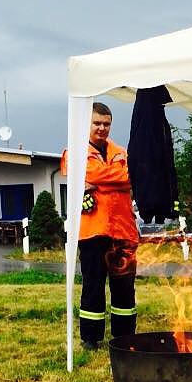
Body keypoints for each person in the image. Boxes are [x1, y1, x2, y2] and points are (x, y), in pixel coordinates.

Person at [61, 102, 139, 350]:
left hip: (123, 230)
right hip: (93, 231)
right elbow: (96, 174)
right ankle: (91, 339)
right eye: (97, 123)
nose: (102, 128)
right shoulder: (74, 152)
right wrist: (114, 178)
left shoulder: (122, 152)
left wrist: (100, 179)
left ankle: (124, 336)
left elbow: (132, 176)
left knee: (124, 287)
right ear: (87, 124)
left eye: (106, 124)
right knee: (93, 285)